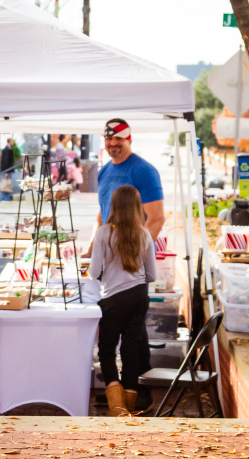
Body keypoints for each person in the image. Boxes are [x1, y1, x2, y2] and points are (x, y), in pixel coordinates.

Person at [90, 185, 157, 416]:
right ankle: (129, 403)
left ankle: (117, 407)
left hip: (113, 298)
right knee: (132, 350)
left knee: (107, 349)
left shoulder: (104, 233)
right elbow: (152, 275)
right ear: (138, 207)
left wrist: (109, 272)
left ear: (114, 206)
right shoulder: (144, 233)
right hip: (139, 295)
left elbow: (93, 271)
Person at [84, 118, 165, 255]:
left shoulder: (144, 171)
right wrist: (91, 250)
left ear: (129, 140)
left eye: (119, 138)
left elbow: (156, 218)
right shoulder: (104, 171)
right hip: (109, 257)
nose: (113, 143)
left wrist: (135, 255)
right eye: (109, 138)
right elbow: (102, 214)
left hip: (133, 260)